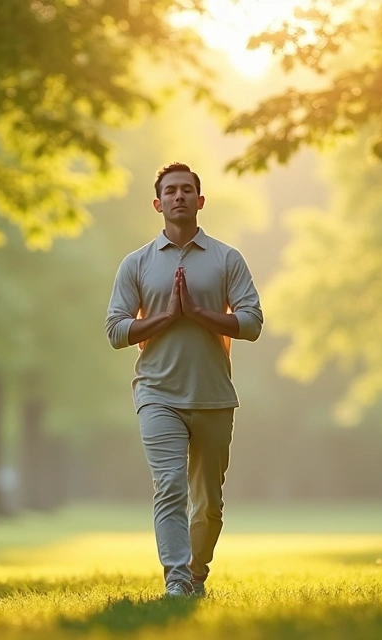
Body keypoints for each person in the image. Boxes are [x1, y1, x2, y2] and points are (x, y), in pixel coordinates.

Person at [104, 161, 264, 598]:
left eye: (186, 190)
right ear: (158, 204)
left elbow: (252, 323)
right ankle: (176, 580)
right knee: (170, 487)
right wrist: (167, 317)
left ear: (200, 200)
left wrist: (198, 313)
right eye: (170, 190)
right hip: (157, 394)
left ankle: (196, 573)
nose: (179, 196)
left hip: (213, 395)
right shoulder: (136, 263)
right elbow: (116, 331)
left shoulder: (227, 259)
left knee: (209, 502)